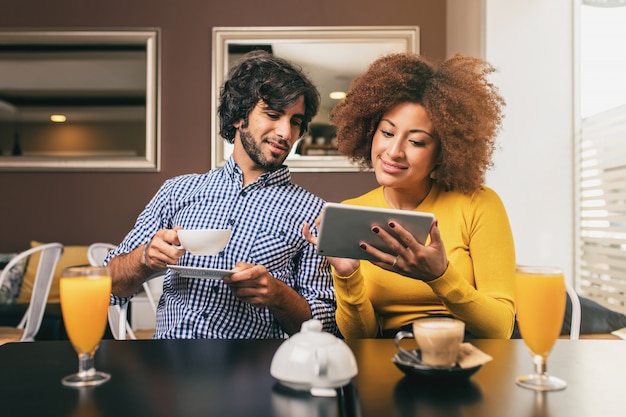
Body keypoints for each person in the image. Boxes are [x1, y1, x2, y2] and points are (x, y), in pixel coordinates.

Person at [106, 50, 337, 339]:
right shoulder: (177, 191)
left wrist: (278, 295)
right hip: (170, 366)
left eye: (295, 122)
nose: (285, 133)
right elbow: (108, 286)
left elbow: (327, 327)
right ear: (239, 117)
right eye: (274, 115)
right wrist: (144, 258)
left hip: (252, 374)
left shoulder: (314, 214)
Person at [304, 53, 515, 339]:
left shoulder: (478, 203)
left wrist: (440, 276)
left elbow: (501, 328)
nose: (394, 151)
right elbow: (361, 340)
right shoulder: (353, 212)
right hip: (391, 357)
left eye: (416, 141)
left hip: (466, 358)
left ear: (444, 152)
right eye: (387, 132)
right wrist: (347, 276)